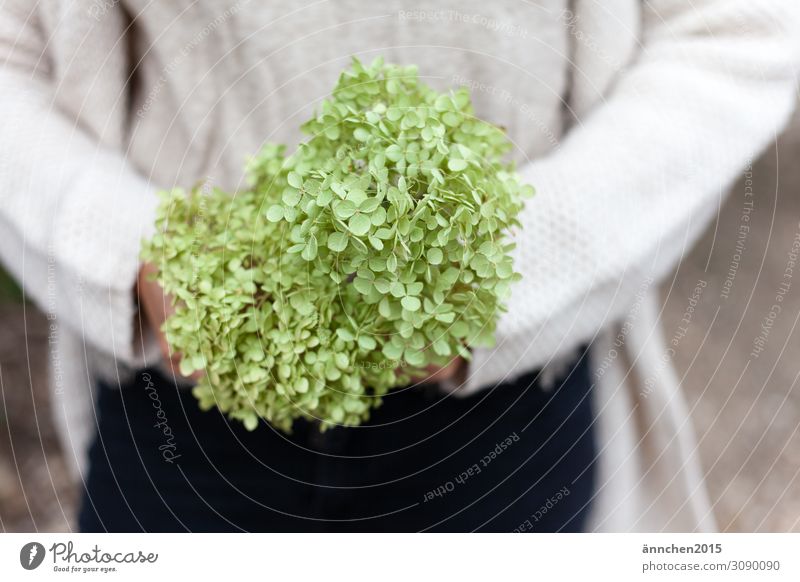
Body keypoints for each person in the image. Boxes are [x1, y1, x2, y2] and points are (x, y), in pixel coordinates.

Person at [0, 0, 797, 532]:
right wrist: (127, 248)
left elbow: (730, 31)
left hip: (504, 416)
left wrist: (516, 267)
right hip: (181, 423)